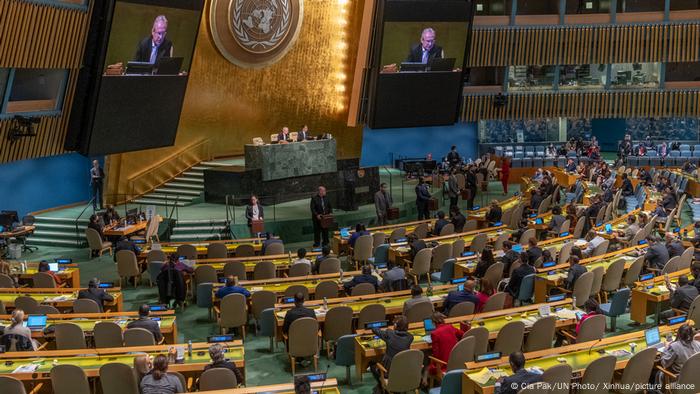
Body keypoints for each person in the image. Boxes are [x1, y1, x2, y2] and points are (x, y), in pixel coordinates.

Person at [369, 316, 413, 392]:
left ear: (395, 326)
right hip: (403, 370)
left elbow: (377, 331)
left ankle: (382, 386)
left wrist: (373, 327)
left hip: (388, 372)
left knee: (372, 364)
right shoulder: (410, 337)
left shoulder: (389, 334)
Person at [426, 312, 464, 379]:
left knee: (427, 366)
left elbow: (436, 354)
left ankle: (426, 385)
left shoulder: (434, 333)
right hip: (456, 361)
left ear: (433, 322)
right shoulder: (450, 327)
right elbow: (462, 334)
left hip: (443, 365)